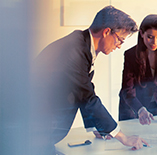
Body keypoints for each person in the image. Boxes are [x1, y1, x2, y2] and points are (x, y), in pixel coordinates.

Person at [32, 6, 148, 154]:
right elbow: (87, 96)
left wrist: (97, 127)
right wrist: (123, 137)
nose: (119, 46)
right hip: (35, 130)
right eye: (120, 40)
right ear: (106, 32)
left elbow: (82, 90)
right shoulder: (74, 50)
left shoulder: (81, 44)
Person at [119, 14, 157, 125]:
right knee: (132, 137)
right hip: (133, 104)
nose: (154, 42)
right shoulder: (131, 55)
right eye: (150, 37)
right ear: (142, 33)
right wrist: (140, 109)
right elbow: (127, 89)